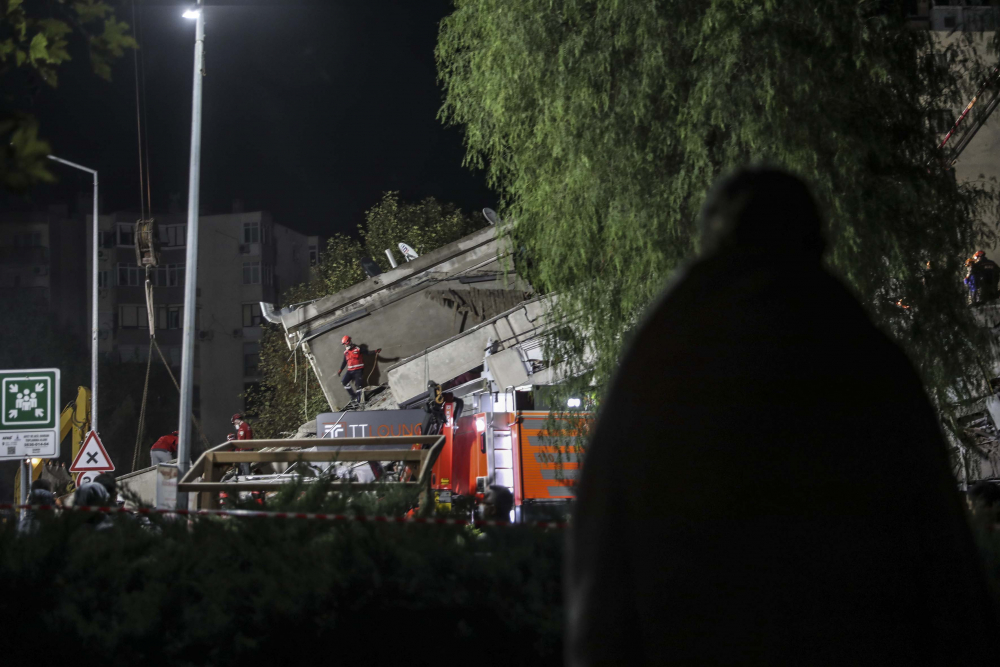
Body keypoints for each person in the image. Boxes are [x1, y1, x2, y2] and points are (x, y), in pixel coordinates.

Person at [567, 168, 997, 666]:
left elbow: (603, 539)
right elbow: (938, 541)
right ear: (816, 239)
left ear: (712, 241)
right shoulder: (866, 358)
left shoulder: (662, 360)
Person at [337, 335, 380, 403]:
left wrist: (375, 351)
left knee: (358, 386)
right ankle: (353, 396)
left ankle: (359, 401)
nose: (345, 346)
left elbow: (367, 352)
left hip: (358, 371)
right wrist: (340, 370)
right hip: (350, 371)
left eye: (346, 344)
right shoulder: (346, 352)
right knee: (344, 382)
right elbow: (344, 362)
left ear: (349, 342)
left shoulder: (358, 348)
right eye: (344, 345)